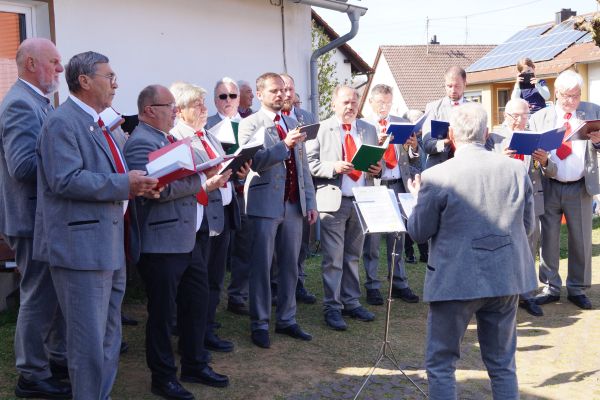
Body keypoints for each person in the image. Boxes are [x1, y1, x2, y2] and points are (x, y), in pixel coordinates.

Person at [35, 51, 158, 400]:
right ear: (85, 81)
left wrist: (138, 183)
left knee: (108, 337)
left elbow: (110, 174)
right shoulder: (63, 122)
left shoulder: (97, 121)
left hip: (108, 243)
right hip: (81, 249)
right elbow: (64, 179)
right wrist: (124, 184)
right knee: (87, 344)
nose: (116, 83)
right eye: (109, 76)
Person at [407, 103, 537, 400]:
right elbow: (527, 227)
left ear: (451, 135)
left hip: (455, 278)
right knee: (503, 364)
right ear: (487, 134)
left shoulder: (436, 176)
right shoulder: (516, 170)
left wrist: (416, 199)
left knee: (441, 363)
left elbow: (419, 232)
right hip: (504, 276)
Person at [125, 84, 231, 400]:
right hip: (162, 242)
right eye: (168, 106)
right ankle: (163, 377)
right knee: (161, 313)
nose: (175, 111)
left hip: (187, 237)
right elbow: (157, 190)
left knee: (195, 302)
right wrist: (202, 180)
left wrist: (206, 172)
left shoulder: (168, 138)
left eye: (175, 106)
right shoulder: (140, 142)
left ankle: (194, 363)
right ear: (149, 110)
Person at [0, 37, 70, 399]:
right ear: (31, 64)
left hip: (41, 217)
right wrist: (71, 159)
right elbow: (23, 165)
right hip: (30, 219)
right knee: (39, 296)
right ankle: (31, 375)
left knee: (51, 295)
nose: (60, 68)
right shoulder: (20, 104)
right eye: (54, 61)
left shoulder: (36, 101)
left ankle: (53, 361)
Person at [238, 72, 318, 349]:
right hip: (264, 204)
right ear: (260, 94)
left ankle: (287, 318)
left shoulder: (293, 122)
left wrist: (310, 202)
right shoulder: (250, 123)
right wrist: (284, 145)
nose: (282, 95)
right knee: (262, 266)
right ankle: (260, 323)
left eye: (284, 90)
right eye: (274, 91)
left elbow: (303, 167)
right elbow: (254, 161)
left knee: (290, 265)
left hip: (293, 204)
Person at [170, 82, 249, 354]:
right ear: (181, 111)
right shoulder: (176, 139)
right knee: (197, 282)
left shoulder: (208, 134)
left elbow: (220, 166)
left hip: (222, 212)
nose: (204, 109)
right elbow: (184, 181)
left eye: (204, 104)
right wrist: (209, 181)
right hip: (199, 217)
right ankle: (193, 334)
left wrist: (237, 171)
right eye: (197, 105)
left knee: (215, 277)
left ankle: (207, 328)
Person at [306, 85, 381, 331]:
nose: (350, 107)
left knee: (352, 256)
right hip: (333, 200)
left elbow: (375, 163)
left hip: (361, 199)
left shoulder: (368, 129)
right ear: (333, 104)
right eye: (345, 102)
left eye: (354, 102)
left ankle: (351, 302)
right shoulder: (321, 129)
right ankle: (332, 307)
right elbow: (309, 163)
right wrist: (333, 167)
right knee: (333, 258)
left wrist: (376, 169)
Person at [529, 70, 600, 310]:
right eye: (567, 95)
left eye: (576, 95)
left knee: (581, 239)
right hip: (549, 184)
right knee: (548, 238)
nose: (571, 100)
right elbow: (531, 153)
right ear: (556, 93)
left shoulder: (593, 111)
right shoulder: (540, 117)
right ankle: (551, 286)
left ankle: (577, 288)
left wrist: (598, 142)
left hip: (580, 185)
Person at [487, 98, 557, 317]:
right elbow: (481, 169)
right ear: (505, 115)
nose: (520, 120)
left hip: (530, 201)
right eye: (515, 116)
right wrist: (499, 159)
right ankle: (502, 293)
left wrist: (545, 161)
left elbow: (552, 172)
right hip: (502, 203)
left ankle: (527, 295)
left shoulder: (535, 137)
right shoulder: (494, 137)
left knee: (528, 249)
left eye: (524, 115)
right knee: (501, 248)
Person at [360, 84, 420, 306]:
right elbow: (360, 160)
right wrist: (375, 147)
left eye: (388, 102)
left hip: (398, 185)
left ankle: (399, 282)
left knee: (398, 237)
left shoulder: (401, 123)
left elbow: (411, 158)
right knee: (373, 241)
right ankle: (372, 285)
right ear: (371, 102)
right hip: (375, 185)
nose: (384, 107)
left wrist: (414, 147)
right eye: (380, 103)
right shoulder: (363, 125)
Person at [203, 78, 252, 317]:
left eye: (232, 96)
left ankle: (238, 296)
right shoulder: (207, 125)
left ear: (239, 98)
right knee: (215, 254)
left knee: (244, 247)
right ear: (215, 100)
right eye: (223, 96)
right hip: (217, 196)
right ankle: (208, 306)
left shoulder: (250, 124)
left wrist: (248, 171)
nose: (228, 100)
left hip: (245, 193)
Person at [280, 72, 318, 304]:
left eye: (290, 89)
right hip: (278, 191)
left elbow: (309, 156)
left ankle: (299, 282)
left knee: (301, 242)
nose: (286, 94)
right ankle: (277, 286)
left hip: (302, 188)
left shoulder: (306, 117)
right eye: (282, 89)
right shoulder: (263, 120)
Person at [422, 66, 467, 169]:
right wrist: (445, 142)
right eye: (449, 86)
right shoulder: (433, 108)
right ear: (445, 85)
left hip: (465, 166)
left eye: (457, 86)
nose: (453, 90)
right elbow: (427, 145)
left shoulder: (474, 108)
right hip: (438, 168)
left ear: (465, 84)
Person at [402, 109, 429, 265]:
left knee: (420, 216)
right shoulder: (404, 138)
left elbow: (425, 159)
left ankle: (424, 252)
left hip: (423, 181)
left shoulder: (424, 138)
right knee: (408, 218)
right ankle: (409, 253)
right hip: (408, 182)